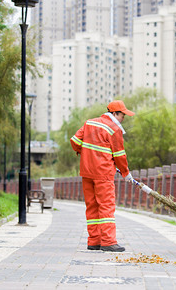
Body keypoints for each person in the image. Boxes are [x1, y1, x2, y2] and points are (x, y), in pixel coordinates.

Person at [70, 100, 135, 252]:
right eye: (122, 115)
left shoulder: (89, 123)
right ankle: (108, 241)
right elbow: (119, 155)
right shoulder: (114, 129)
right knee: (106, 206)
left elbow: (74, 141)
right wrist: (126, 173)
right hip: (103, 174)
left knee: (92, 206)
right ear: (114, 113)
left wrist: (84, 153)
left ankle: (94, 241)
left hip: (86, 172)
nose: (123, 118)